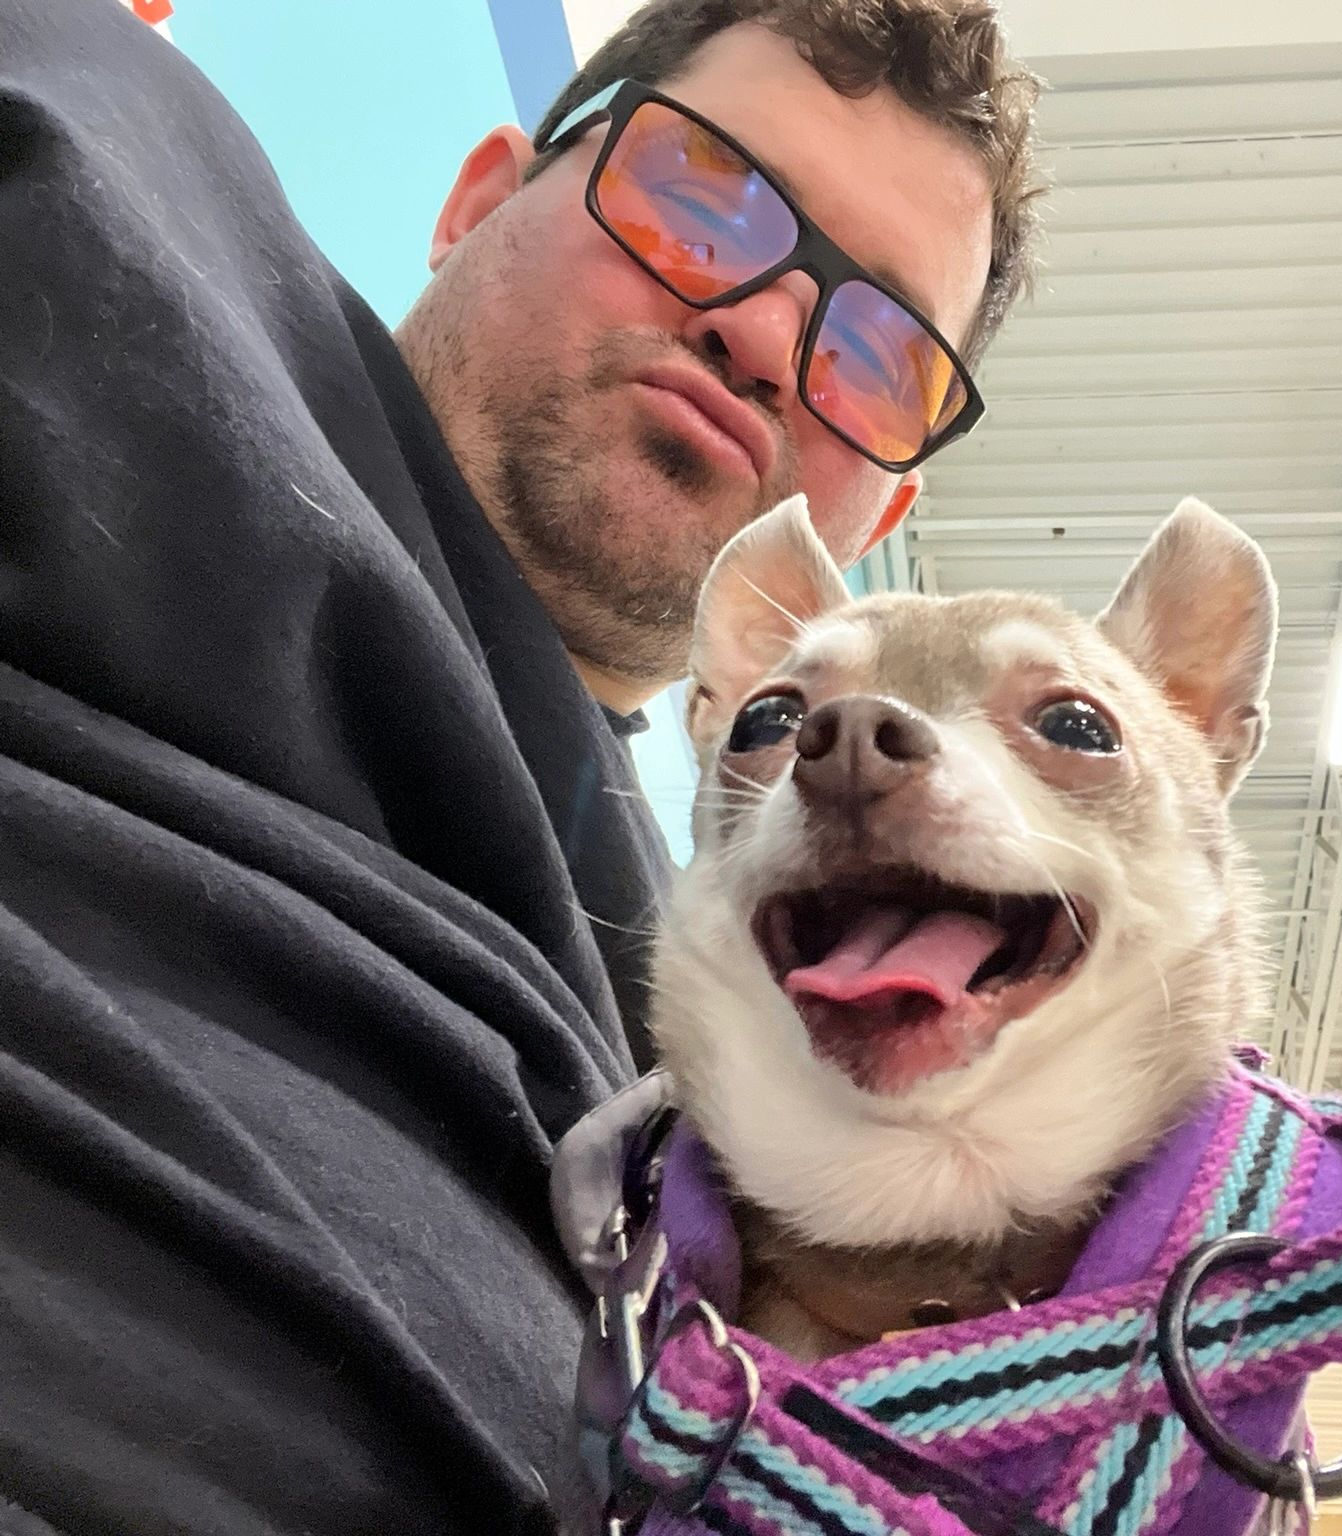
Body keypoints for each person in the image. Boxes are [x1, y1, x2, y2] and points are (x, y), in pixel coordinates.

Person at [0, 1, 1042, 1531]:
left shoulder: (719, 1037)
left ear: (867, 523)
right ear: (480, 198)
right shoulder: (108, 182)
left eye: (878, 355)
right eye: (700, 199)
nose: (759, 329)